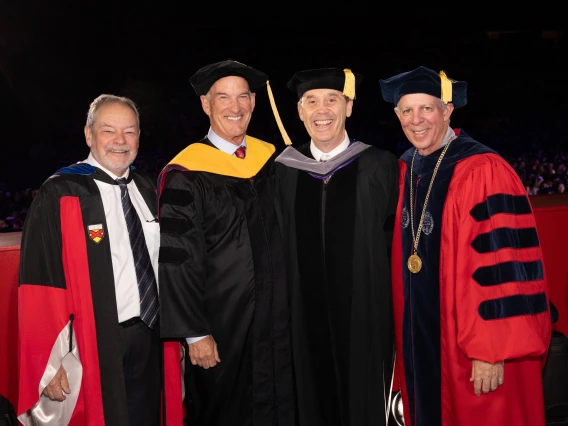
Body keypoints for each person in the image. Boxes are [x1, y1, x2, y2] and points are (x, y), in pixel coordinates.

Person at [379, 66, 552, 426]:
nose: (417, 120)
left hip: (471, 351)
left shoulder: (482, 170)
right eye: (407, 111)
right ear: (397, 116)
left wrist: (491, 349)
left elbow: (504, 266)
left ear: (448, 110)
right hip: (421, 344)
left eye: (426, 108)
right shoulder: (405, 168)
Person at [17, 94, 182, 426]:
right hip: (91, 341)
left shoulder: (148, 189)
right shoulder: (60, 193)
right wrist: (50, 363)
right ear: (89, 134)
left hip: (151, 334)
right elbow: (40, 283)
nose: (120, 141)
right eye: (108, 131)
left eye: (130, 131)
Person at [157, 59, 295, 426]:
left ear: (253, 102)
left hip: (277, 319)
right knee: (226, 409)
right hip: (222, 325)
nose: (235, 107)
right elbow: (177, 259)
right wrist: (195, 333)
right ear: (206, 104)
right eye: (223, 98)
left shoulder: (274, 160)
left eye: (243, 97)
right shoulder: (187, 174)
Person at [272, 67, 399, 426]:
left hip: (366, 314)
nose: (321, 110)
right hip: (304, 317)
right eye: (311, 101)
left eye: (332, 100)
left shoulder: (379, 165)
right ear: (299, 111)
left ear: (349, 107)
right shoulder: (284, 170)